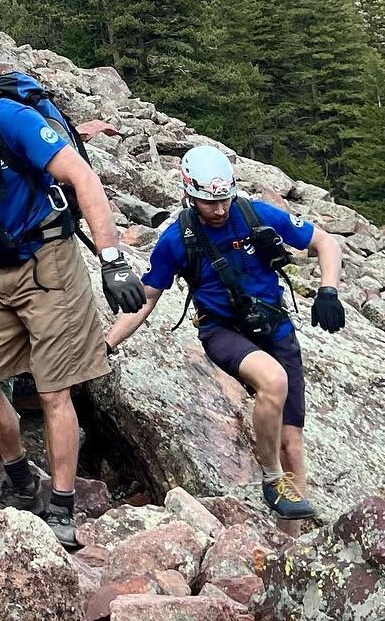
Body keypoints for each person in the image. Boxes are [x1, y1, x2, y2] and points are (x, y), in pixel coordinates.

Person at [0, 35, 145, 550]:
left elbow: (81, 176)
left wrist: (113, 260)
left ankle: (62, 505)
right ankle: (20, 479)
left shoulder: (11, 118)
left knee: (53, 389)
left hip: (48, 263)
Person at [104, 145, 344, 520]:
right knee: (274, 380)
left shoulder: (253, 214)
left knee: (291, 442)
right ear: (189, 194)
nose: (218, 210)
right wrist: (108, 342)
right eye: (207, 202)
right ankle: (270, 478)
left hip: (272, 324)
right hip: (222, 330)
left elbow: (325, 242)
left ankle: (291, 544)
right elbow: (148, 297)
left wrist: (328, 291)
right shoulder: (176, 239)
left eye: (223, 200)